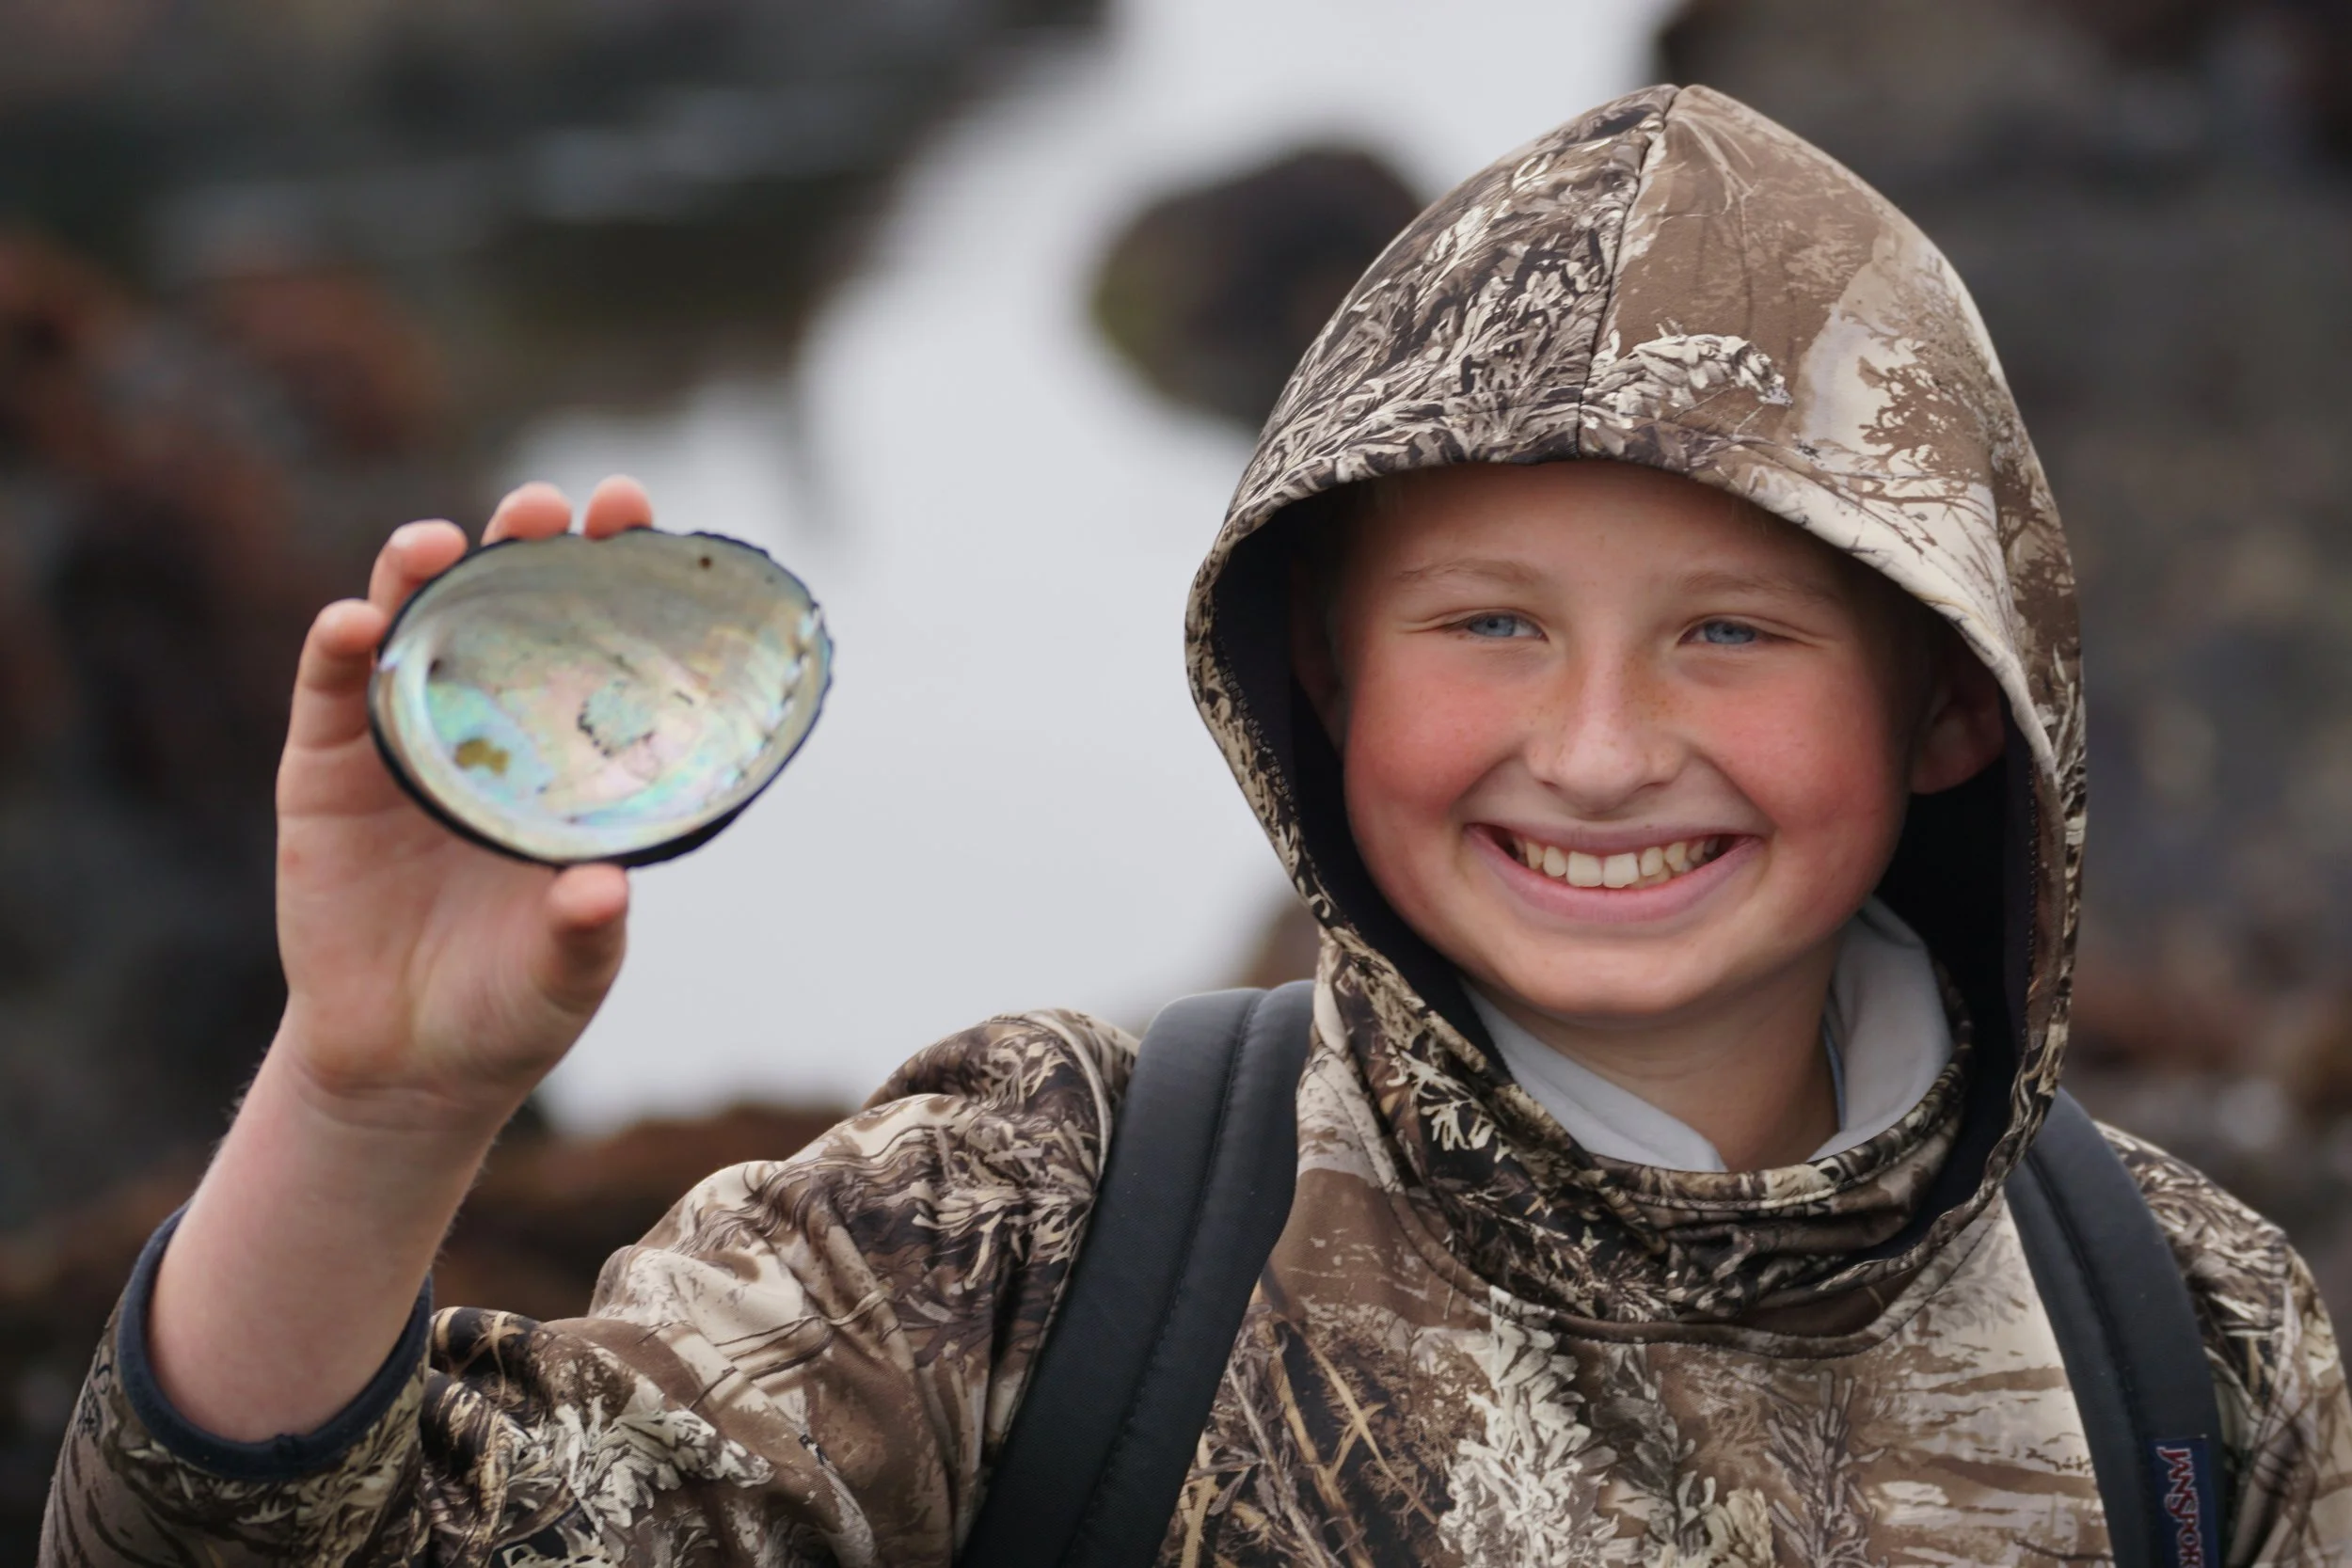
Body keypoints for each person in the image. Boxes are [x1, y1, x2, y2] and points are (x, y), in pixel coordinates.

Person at [39, 84, 2352, 1567]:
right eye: (1487, 622)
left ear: (1958, 701)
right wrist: (370, 1096)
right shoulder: (1034, 1223)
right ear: (1320, 668)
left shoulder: (2187, 1350)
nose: (1599, 742)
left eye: (1732, 633)